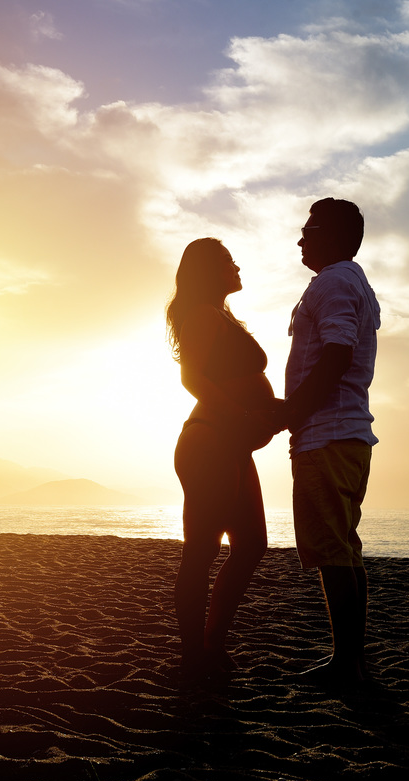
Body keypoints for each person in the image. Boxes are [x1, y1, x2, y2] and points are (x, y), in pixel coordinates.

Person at [271, 198, 381, 687]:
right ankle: (352, 659)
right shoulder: (355, 282)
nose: (301, 239)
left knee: (334, 550)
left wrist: (291, 413)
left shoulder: (333, 282)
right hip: (349, 434)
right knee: (346, 547)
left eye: (309, 230)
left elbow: (337, 352)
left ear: (333, 237)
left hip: (328, 434)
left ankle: (345, 664)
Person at [166, 237, 279, 680]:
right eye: (227, 260)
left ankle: (212, 645)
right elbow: (191, 378)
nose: (237, 266)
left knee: (251, 546)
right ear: (208, 271)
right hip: (209, 440)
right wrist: (243, 415)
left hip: (230, 444)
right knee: (202, 550)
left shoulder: (220, 316)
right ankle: (196, 654)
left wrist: (283, 410)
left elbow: (241, 385)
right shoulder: (200, 314)